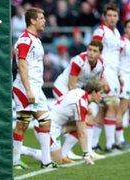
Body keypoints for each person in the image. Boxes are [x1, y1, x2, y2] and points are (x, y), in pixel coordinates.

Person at [12, 7, 57, 169]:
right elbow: (22, 66)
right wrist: (28, 89)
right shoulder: (25, 40)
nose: (45, 21)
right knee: (33, 122)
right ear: (32, 20)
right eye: (41, 18)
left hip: (35, 87)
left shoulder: (34, 39)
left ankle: (44, 161)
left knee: (35, 123)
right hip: (26, 87)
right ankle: (20, 161)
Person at [50, 78, 103, 165]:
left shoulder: (79, 92)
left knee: (84, 122)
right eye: (100, 93)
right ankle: (24, 150)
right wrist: (86, 154)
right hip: (48, 126)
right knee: (52, 159)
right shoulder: (81, 102)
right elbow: (82, 132)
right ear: (93, 93)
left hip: (54, 124)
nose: (101, 96)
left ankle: (63, 154)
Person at [91, 3, 121, 152]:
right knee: (111, 106)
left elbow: (116, 56)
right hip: (105, 73)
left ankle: (94, 144)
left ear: (118, 17)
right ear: (104, 17)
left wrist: (119, 76)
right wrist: (102, 77)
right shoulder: (100, 31)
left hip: (114, 73)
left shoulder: (116, 33)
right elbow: (93, 52)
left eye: (115, 15)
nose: (112, 18)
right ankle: (109, 144)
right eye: (109, 15)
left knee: (104, 109)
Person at [115, 19, 130, 149]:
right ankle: (119, 140)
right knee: (122, 109)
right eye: (129, 27)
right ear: (125, 29)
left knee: (124, 108)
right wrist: (118, 75)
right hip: (123, 78)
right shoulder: (122, 43)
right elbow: (116, 59)